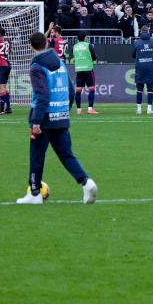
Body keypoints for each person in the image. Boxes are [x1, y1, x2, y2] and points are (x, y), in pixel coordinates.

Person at [17, 31, 97, 205]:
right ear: (47, 43)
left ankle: (35, 193)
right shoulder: (60, 62)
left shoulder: (37, 67)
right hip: (61, 116)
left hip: (44, 119)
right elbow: (70, 90)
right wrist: (64, 111)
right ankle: (86, 182)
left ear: (31, 47)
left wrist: (36, 121)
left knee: (37, 156)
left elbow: (42, 95)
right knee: (66, 154)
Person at [71, 32, 98, 115]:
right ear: (85, 37)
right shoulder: (88, 45)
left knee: (78, 90)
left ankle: (79, 110)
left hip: (79, 69)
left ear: (78, 38)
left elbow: (74, 56)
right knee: (91, 89)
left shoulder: (74, 47)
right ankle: (90, 109)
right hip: (88, 69)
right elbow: (94, 57)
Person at [133, 26, 153, 115]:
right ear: (148, 31)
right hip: (150, 67)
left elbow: (133, 54)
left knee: (139, 89)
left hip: (140, 67)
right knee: (150, 89)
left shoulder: (137, 42)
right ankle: (149, 109)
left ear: (141, 32)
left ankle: (139, 109)